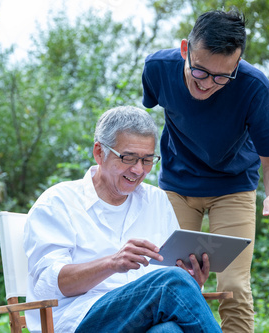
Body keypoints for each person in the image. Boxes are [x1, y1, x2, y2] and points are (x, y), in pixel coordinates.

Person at [141, 9, 269, 333]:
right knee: (174, 281)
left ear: (236, 65)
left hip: (233, 186)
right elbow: (143, 127)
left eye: (222, 76)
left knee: (235, 287)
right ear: (185, 50)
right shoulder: (157, 69)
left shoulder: (254, 88)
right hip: (177, 185)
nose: (209, 84)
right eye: (200, 72)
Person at [24, 106, 221, 333]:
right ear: (99, 152)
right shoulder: (58, 202)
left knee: (168, 331)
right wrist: (111, 263)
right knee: (171, 282)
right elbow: (46, 286)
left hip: (146, 318)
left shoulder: (156, 200)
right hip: (80, 320)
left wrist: (193, 278)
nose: (138, 170)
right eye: (128, 158)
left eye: (147, 160)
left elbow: (171, 274)